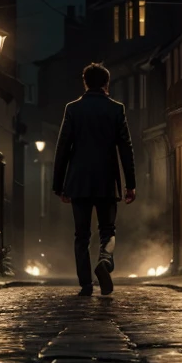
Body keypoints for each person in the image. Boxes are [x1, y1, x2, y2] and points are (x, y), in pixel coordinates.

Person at [52, 62, 136, 296]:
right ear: (107, 84)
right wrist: (131, 184)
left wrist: (59, 186)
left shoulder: (72, 109)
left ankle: (86, 284)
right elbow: (125, 149)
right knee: (108, 230)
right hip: (107, 181)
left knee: (81, 235)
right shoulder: (116, 109)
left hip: (78, 182)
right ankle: (105, 261)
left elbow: (63, 148)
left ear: (85, 83)